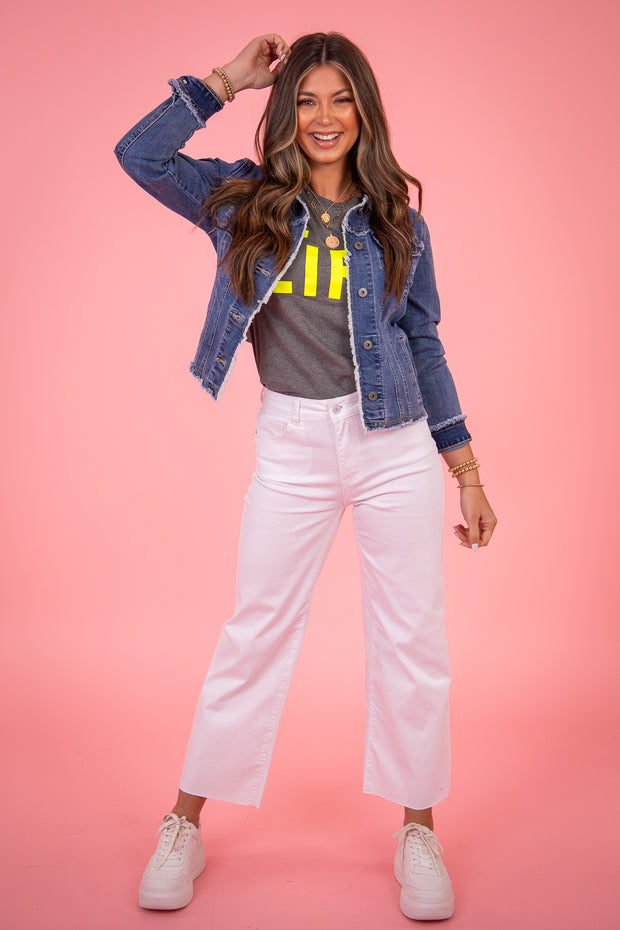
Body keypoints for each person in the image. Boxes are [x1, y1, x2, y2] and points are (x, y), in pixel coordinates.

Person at [115, 31, 497, 922]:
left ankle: (418, 829)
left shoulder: (399, 221)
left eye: (341, 99)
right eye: (308, 100)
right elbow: (140, 155)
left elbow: (424, 342)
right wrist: (227, 81)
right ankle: (185, 823)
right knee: (253, 631)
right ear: (287, 112)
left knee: (413, 639)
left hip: (394, 443)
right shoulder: (241, 201)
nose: (325, 118)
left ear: (365, 110)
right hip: (292, 443)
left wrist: (466, 467)